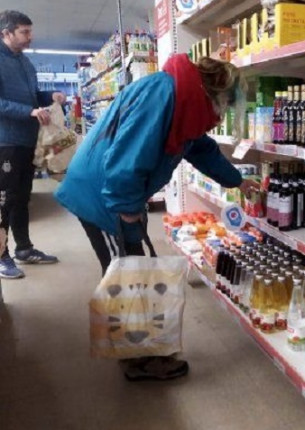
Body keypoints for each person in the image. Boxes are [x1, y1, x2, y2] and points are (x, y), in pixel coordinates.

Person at [55, 53, 258, 380]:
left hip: (113, 193)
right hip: (102, 196)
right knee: (127, 275)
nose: (223, 115)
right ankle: (138, 360)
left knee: (133, 269)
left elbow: (201, 149)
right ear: (214, 92)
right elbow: (127, 159)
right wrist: (127, 209)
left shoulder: (184, 102)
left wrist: (237, 180)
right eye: (226, 105)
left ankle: (140, 350)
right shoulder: (163, 95)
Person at [0, 10, 65, 279]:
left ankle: (24, 249)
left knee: (21, 198)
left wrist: (51, 95)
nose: (30, 37)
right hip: (5, 142)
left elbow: (33, 96)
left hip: (28, 141)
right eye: (24, 32)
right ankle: (2, 257)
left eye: (30, 31)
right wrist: (28, 112)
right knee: (4, 201)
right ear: (6, 33)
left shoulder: (25, 63)